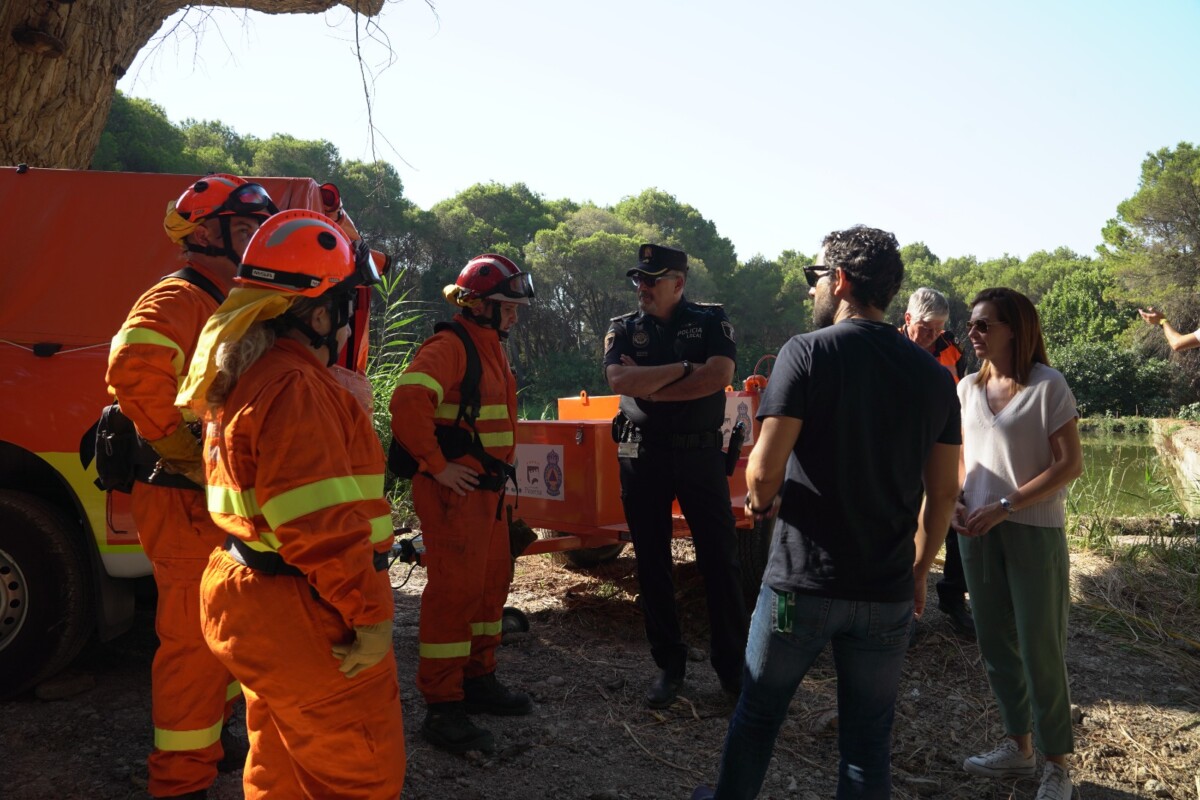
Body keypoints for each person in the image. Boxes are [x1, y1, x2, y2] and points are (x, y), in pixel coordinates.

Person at [693, 226, 961, 800]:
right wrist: (918, 571)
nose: (809, 291)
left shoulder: (805, 352)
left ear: (838, 281)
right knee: (867, 741)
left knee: (759, 715)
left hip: (800, 585)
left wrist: (762, 507)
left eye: (814, 279)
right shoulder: (936, 378)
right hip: (886, 590)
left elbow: (763, 470)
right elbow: (943, 494)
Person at [175, 209, 406, 799]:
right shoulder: (298, 389)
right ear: (321, 313)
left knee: (279, 764)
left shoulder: (249, 375)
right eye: (349, 308)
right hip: (304, 610)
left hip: (251, 599)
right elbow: (317, 524)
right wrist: (371, 615)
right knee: (358, 775)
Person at [106, 173, 277, 799]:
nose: (257, 237)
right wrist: (180, 449)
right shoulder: (176, 299)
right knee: (191, 643)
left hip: (208, 495)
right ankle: (179, 781)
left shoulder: (222, 298)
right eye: (245, 226)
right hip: (178, 497)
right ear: (207, 232)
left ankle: (214, 735)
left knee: (223, 624)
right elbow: (132, 370)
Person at [390, 253, 535, 755]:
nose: (515, 315)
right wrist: (435, 464)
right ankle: (443, 705)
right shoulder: (450, 346)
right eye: (507, 306)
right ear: (479, 304)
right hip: (456, 492)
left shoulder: (489, 346)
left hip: (486, 493)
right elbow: (407, 403)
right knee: (455, 593)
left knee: (491, 584)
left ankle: (478, 678)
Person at [604, 243, 748, 709]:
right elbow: (620, 383)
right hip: (641, 456)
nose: (642, 288)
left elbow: (718, 376)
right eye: (638, 280)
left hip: (699, 456)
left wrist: (653, 384)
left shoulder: (710, 321)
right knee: (651, 561)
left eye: (652, 280)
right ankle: (670, 666)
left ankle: (733, 671)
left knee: (721, 562)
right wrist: (686, 369)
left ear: (679, 283)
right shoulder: (623, 329)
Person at [956, 288, 1082, 800]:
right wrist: (961, 501)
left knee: (1040, 648)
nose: (973, 333)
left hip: (1033, 531)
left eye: (984, 325)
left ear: (1015, 328)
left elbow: (1069, 464)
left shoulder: (1048, 386)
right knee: (995, 645)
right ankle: (1019, 748)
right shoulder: (965, 388)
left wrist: (1006, 505)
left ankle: (1057, 766)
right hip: (976, 532)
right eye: (972, 324)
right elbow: (963, 452)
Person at [900, 287, 975, 639]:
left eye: (939, 330)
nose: (932, 338)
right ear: (907, 320)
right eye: (925, 329)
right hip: (905, 451)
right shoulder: (889, 350)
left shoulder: (951, 350)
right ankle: (905, 611)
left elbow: (961, 400)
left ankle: (952, 597)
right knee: (905, 526)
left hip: (945, 445)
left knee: (954, 515)